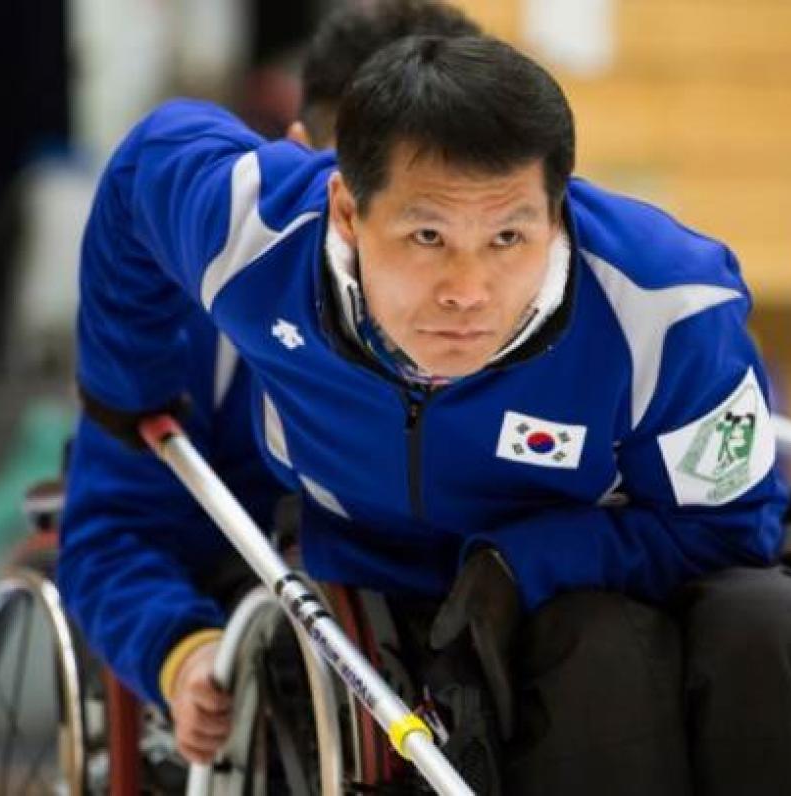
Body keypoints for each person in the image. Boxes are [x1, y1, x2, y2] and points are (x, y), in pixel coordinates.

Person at [72, 30, 791, 795]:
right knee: (600, 656)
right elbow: (147, 159)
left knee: (765, 624)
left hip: (604, 572)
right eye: (427, 235)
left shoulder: (671, 305)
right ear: (346, 211)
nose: (467, 290)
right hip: (380, 586)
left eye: (510, 236)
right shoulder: (258, 232)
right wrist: (126, 393)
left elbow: (730, 528)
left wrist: (528, 560)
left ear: (558, 217)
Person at [59, 0, 481, 766]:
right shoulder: (198, 309)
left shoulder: (528, 307)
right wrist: (181, 651)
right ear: (299, 162)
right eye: (366, 195)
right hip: (266, 622)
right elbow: (112, 532)